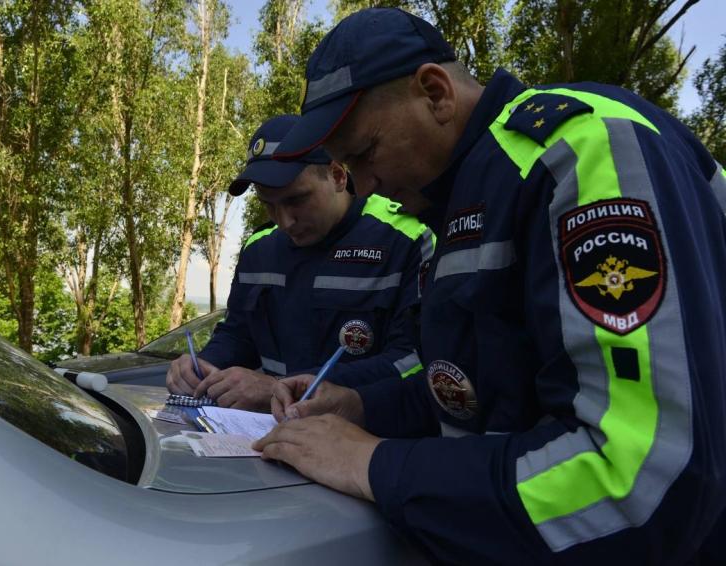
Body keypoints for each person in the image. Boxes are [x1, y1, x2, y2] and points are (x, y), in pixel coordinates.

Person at [254, 8, 726, 564]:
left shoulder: (581, 151)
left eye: (363, 154)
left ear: (435, 93)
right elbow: (476, 391)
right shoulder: (456, 202)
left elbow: (639, 479)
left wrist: (374, 463)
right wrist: (361, 405)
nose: (361, 186)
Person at [165, 114, 434, 411]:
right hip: (262, 435)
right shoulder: (259, 249)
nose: (285, 221)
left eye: (297, 200)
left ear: (337, 176)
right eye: (269, 205)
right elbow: (239, 333)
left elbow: (413, 360)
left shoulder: (404, 237)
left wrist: (282, 388)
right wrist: (202, 364)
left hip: (363, 437)